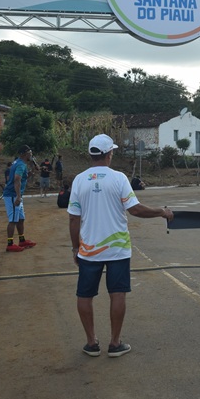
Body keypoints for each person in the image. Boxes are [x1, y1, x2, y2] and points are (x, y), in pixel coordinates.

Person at [68, 134, 173, 358]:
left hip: (89, 250)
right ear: (109, 154)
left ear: (91, 154)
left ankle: (91, 343)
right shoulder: (119, 178)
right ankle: (115, 344)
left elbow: (74, 219)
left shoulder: (79, 180)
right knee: (117, 294)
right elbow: (135, 209)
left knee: (84, 295)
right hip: (117, 249)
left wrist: (75, 248)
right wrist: (161, 212)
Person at [2, 145, 37, 252]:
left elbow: (23, 177)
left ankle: (22, 240)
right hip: (13, 195)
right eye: (30, 153)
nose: (31, 155)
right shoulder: (21, 164)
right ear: (24, 154)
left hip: (16, 195)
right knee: (13, 220)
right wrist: (18, 196)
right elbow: (17, 179)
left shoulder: (18, 163)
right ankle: (10, 244)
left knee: (21, 218)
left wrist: (32, 170)